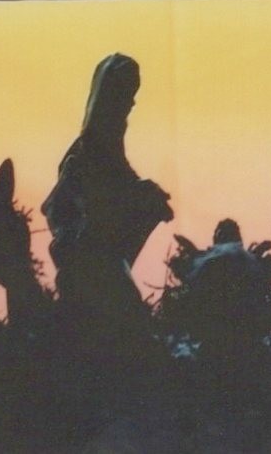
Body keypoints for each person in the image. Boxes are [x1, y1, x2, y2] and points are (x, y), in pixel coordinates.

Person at [42, 53, 173, 336]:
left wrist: (147, 192)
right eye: (127, 95)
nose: (132, 103)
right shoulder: (87, 152)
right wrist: (139, 194)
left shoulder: (108, 149)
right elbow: (94, 197)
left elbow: (123, 180)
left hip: (103, 259)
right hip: (90, 260)